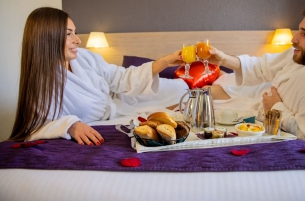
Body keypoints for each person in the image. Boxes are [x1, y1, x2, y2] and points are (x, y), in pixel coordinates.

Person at [9, 7, 188, 145]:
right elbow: (35, 125)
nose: (77, 40)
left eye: (75, 32)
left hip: (122, 96)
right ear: (48, 38)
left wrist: (164, 61)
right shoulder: (42, 81)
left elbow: (121, 78)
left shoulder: (85, 57)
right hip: (115, 109)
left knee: (181, 88)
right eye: (69, 34)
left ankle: (205, 93)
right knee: (172, 104)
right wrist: (70, 125)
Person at [206, 0, 305, 147]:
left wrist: (276, 108)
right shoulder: (303, 55)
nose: (294, 39)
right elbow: (262, 67)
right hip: (258, 104)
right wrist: (223, 60)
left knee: (205, 99)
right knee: (204, 96)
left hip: (265, 114)